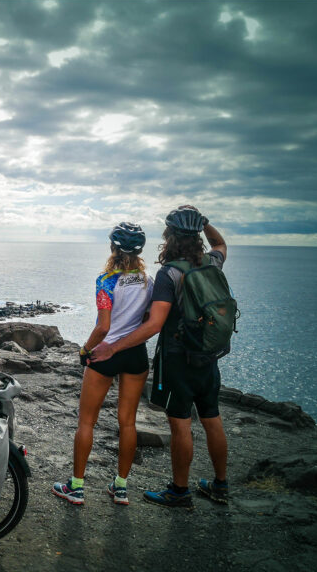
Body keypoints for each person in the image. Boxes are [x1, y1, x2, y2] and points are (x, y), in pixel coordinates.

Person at [90, 205, 229, 508]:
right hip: (209, 355)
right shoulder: (212, 262)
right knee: (211, 417)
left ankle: (179, 491)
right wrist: (204, 222)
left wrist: (113, 347)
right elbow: (221, 244)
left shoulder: (170, 274)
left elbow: (154, 324)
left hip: (180, 359)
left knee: (180, 424)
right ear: (195, 236)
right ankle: (220, 485)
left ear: (170, 237)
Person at [52, 222, 153, 506]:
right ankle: (120, 487)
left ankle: (76, 487)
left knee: (86, 422)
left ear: (113, 248)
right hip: (135, 352)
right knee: (128, 423)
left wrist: (86, 349)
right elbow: (147, 320)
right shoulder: (148, 281)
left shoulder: (106, 280)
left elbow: (103, 327)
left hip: (105, 352)